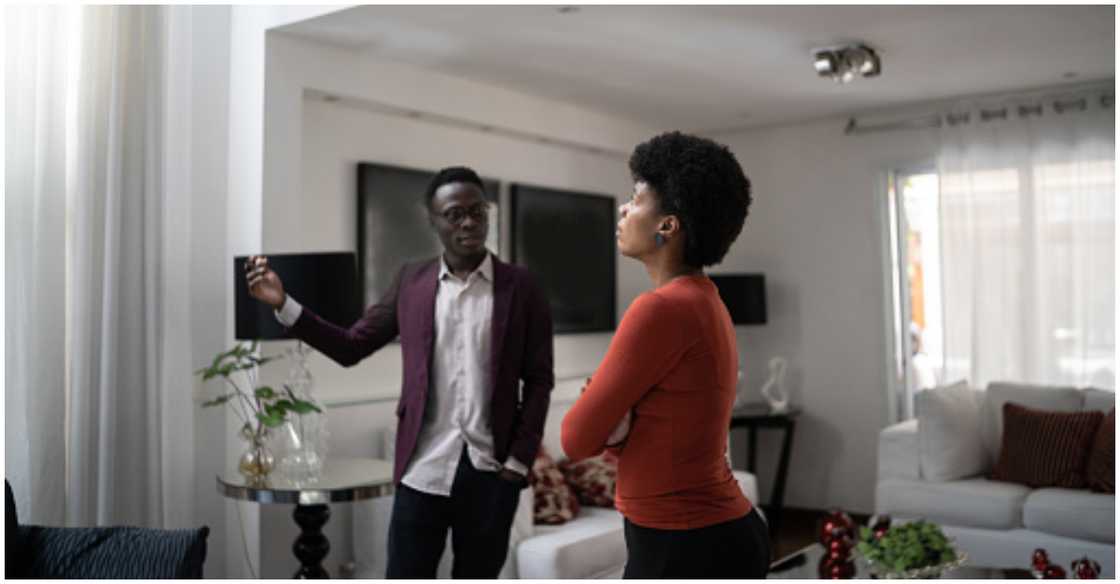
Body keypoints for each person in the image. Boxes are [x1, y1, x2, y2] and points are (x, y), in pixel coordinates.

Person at [245, 166, 554, 578]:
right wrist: (284, 303)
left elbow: (539, 379)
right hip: (421, 471)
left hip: (491, 476)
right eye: (455, 213)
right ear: (434, 220)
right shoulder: (413, 282)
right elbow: (351, 346)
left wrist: (517, 462)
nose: (469, 222)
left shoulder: (522, 286)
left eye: (477, 211)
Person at [560, 131, 769, 578]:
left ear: (667, 226)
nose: (623, 209)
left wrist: (600, 396)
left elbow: (575, 438)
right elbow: (667, 434)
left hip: (685, 543)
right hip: (713, 533)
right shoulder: (705, 301)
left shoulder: (659, 309)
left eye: (635, 200)